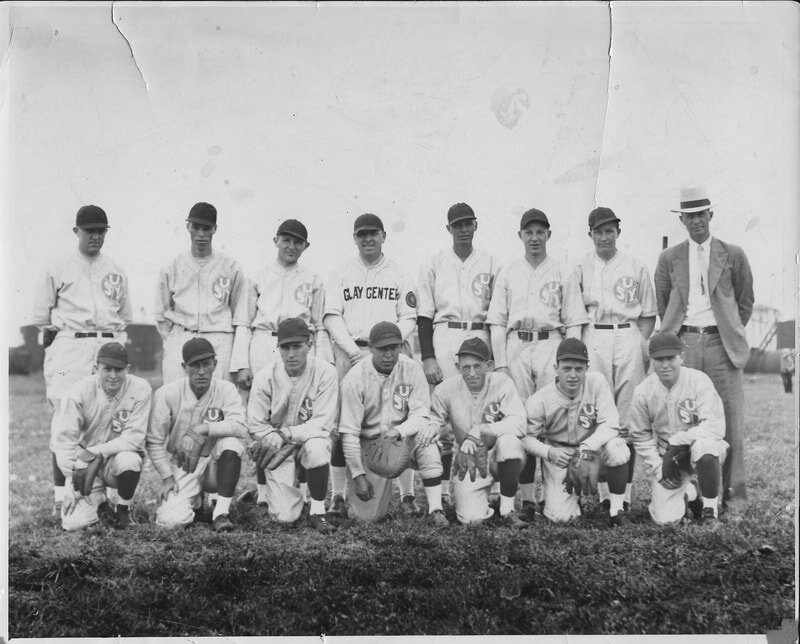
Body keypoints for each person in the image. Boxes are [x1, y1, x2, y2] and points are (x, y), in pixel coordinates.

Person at [654, 187, 754, 518]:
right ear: (681, 220)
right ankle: (693, 495)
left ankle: (733, 499)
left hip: (722, 345)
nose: (696, 221)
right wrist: (680, 335)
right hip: (685, 343)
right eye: (689, 216)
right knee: (686, 419)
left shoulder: (733, 254)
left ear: (711, 215)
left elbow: (745, 303)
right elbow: (664, 304)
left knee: (730, 420)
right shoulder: (669, 258)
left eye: (701, 214)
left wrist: (727, 331)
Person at [487, 207, 587, 518]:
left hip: (550, 344)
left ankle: (554, 494)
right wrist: (501, 364)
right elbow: (497, 321)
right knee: (522, 422)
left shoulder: (563, 271)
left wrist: (569, 361)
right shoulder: (508, 272)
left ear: (549, 235)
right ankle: (529, 499)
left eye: (540, 232)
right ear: (520, 235)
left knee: (553, 420)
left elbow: (574, 321)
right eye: (528, 232)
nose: (534, 238)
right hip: (517, 345)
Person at [32, 205, 132, 513]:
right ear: (77, 231)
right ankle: (61, 496)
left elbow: (125, 314)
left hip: (107, 343)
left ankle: (105, 495)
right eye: (90, 231)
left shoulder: (115, 268)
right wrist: (52, 337)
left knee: (109, 417)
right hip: (71, 345)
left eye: (101, 231)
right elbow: (41, 316)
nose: (96, 236)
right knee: (66, 417)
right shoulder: (58, 266)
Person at [323, 213, 418, 517]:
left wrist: (386, 347)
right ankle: (338, 496)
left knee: (399, 420)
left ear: (383, 236)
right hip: (351, 350)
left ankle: (407, 495)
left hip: (390, 354)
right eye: (361, 234)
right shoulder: (341, 272)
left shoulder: (399, 273)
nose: (367, 239)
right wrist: (355, 353)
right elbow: (332, 317)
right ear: (354, 238)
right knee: (343, 424)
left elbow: (409, 317)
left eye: (373, 233)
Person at [570, 206, 657, 510]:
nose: (604, 237)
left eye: (609, 231)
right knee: (599, 416)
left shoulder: (636, 265)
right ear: (590, 234)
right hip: (595, 336)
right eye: (598, 232)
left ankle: (625, 494)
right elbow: (575, 315)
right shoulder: (580, 267)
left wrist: (639, 344)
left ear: (618, 232)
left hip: (628, 333)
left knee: (627, 418)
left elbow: (648, 314)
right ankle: (606, 494)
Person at [416, 202, 501, 505]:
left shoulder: (491, 263)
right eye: (457, 225)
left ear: (476, 225)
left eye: (468, 223)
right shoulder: (435, 262)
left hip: (480, 334)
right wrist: (428, 356)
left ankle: (486, 489)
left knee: (484, 413)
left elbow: (498, 314)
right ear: (448, 229)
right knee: (443, 418)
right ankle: (441, 492)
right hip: (446, 334)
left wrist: (496, 355)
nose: (463, 229)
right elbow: (424, 315)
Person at [337, 322, 448, 526]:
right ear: (370, 348)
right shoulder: (354, 378)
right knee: (368, 518)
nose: (388, 354)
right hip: (371, 447)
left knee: (427, 440)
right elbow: (349, 434)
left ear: (401, 346)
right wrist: (358, 476)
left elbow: (420, 414)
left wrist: (398, 431)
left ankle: (436, 510)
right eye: (382, 348)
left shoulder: (411, 368)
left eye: (393, 347)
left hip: (402, 438)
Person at [522, 338, 631, 526]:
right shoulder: (539, 399)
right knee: (561, 518)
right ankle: (565, 499)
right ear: (556, 368)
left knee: (617, 446)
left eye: (579, 369)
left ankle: (617, 510)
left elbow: (611, 423)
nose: (573, 375)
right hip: (560, 456)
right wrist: (549, 452)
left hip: (591, 451)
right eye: (567, 368)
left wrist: (586, 448)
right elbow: (526, 438)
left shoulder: (596, 382)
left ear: (587, 368)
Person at [246, 318, 338, 533]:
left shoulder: (326, 372)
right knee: (285, 517)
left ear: (309, 344)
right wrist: (271, 438)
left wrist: (286, 434)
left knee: (317, 447)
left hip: (309, 438)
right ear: (278, 348)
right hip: (279, 446)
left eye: (297, 346)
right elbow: (256, 424)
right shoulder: (264, 377)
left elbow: (322, 423)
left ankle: (317, 511)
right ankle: (264, 494)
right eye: (285, 347)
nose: (291, 354)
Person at [147, 337, 248, 532]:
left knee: (231, 444)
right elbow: (154, 441)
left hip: (215, 462)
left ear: (215, 364)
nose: (201, 372)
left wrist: (202, 429)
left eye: (206, 364)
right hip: (184, 463)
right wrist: (167, 477)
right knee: (171, 522)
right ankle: (196, 500)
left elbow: (240, 427)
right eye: (195, 366)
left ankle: (221, 513)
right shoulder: (167, 393)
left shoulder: (226, 388)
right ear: (184, 367)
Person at [628, 333, 729, 525]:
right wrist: (658, 468)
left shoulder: (698, 380)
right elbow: (640, 435)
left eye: (671, 358)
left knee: (706, 446)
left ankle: (709, 512)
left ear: (681, 357)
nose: (665, 365)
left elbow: (714, 426)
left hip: (698, 450)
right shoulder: (643, 391)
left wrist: (677, 443)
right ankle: (691, 492)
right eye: (659, 359)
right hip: (667, 459)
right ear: (651, 360)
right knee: (665, 519)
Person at [427, 338, 528, 527]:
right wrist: (431, 430)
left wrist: (482, 429)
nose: (472, 373)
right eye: (466, 367)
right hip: (469, 457)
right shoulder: (445, 389)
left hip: (497, 453)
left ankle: (507, 510)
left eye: (477, 366)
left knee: (510, 442)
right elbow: (432, 421)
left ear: (489, 365)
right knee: (472, 519)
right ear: (458, 367)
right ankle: (479, 503)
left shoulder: (502, 382)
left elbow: (520, 423)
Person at [52, 342, 150, 531]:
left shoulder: (140, 388)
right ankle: (100, 501)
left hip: (115, 460)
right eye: (107, 369)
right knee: (74, 524)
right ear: (96, 367)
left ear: (127, 369)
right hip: (85, 466)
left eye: (119, 369)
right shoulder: (79, 390)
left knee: (130, 460)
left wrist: (94, 451)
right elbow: (64, 441)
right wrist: (72, 480)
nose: (113, 375)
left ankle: (123, 510)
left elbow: (134, 439)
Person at [155, 202, 247, 384]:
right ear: (188, 227)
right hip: (182, 336)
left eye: (206, 229)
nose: (201, 234)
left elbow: (240, 314)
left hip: (219, 337)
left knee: (219, 396)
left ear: (215, 229)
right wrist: (173, 339)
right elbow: (161, 313)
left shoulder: (231, 266)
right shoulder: (172, 266)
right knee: (175, 394)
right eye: (196, 228)